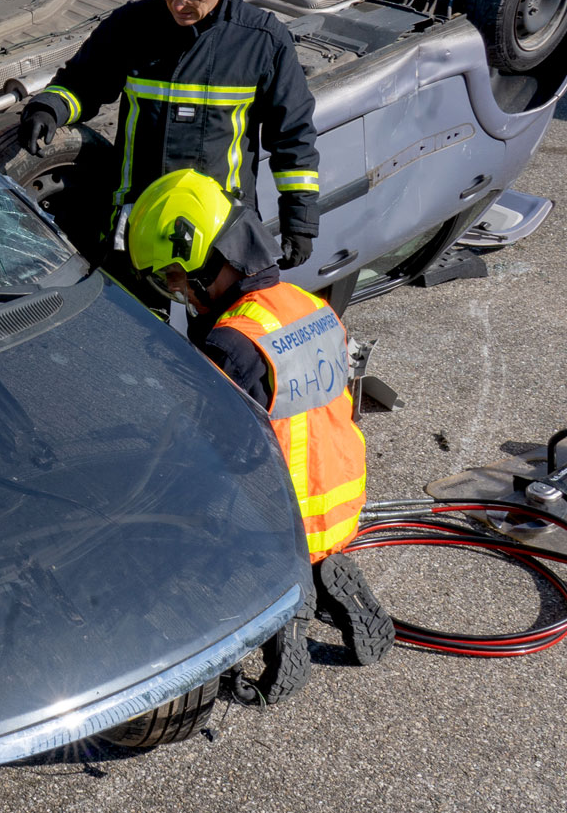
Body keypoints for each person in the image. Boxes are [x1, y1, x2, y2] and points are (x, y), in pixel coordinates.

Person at [126, 169, 392, 665]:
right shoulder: (309, 305)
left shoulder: (229, 345)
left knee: (190, 516)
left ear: (209, 260)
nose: (177, 293)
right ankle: (326, 575)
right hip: (342, 498)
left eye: (175, 278)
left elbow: (203, 445)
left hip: (279, 528)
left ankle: (283, 619)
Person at [16, 0, 320, 271]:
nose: (178, 7)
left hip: (221, 235)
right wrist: (49, 108)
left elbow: (293, 137)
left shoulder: (263, 41)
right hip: (138, 226)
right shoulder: (132, 26)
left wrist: (299, 222)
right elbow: (83, 83)